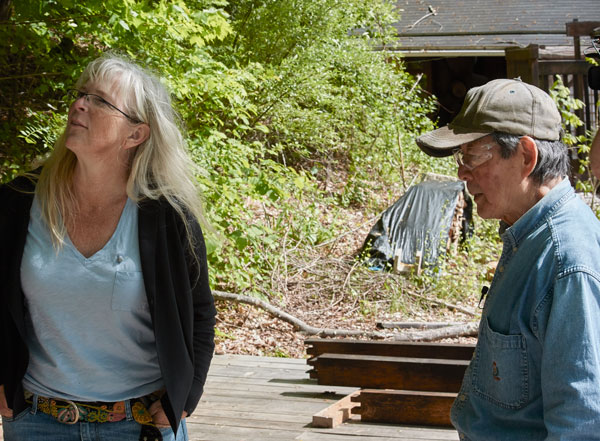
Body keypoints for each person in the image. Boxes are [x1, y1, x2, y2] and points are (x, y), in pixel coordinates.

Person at [0, 54, 217, 441]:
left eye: (100, 100)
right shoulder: (17, 202)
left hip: (141, 425)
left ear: (135, 135)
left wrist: (186, 394)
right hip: (36, 421)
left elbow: (199, 312)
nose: (79, 104)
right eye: (81, 94)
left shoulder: (167, 219)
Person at [416, 78, 600, 440]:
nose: (462, 173)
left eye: (472, 156)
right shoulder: (528, 234)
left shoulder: (567, 259)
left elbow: (582, 424)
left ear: (526, 157)